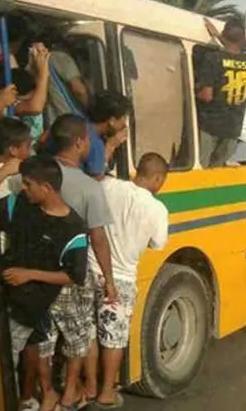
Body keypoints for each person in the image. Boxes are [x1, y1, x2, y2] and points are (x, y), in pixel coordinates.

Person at [8, 114, 117, 410]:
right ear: (79, 143)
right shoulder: (90, 188)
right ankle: (69, 391)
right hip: (70, 275)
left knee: (41, 339)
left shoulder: (28, 177)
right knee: (76, 337)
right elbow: (98, 239)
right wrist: (109, 281)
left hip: (35, 274)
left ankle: (45, 392)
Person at [1, 155, 88, 411]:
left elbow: (74, 276)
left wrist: (29, 274)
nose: (23, 188)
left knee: (9, 357)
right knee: (30, 350)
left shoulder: (73, 228)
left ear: (47, 188)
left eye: (28, 184)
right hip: (8, 297)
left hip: (31, 305)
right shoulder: (19, 204)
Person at [86, 152, 169, 408]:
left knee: (88, 332)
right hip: (120, 279)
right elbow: (158, 244)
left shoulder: (108, 186)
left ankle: (89, 386)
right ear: (157, 178)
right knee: (114, 338)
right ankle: (106, 393)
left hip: (90, 270)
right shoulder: (157, 209)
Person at [195, 18, 246, 167]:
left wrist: (193, 92)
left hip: (210, 126)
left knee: (202, 168)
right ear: (243, 40)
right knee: (216, 169)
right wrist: (220, 37)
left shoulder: (213, 59)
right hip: (233, 129)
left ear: (224, 34)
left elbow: (206, 96)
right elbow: (240, 48)